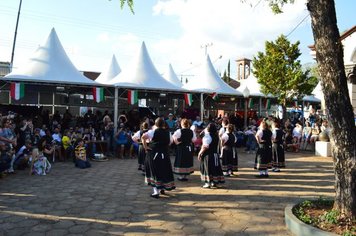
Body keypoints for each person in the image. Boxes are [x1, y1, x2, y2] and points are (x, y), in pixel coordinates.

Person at [142, 117, 175, 198]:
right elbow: (171, 142)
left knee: (154, 171)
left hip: (154, 154)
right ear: (163, 124)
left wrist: (146, 147)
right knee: (163, 170)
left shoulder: (152, 132)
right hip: (164, 154)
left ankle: (156, 192)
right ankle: (162, 188)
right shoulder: (168, 133)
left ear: (155, 124)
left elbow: (143, 137)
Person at [197, 123, 225, 188]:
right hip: (215, 154)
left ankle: (208, 183)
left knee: (208, 168)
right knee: (214, 168)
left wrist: (200, 153)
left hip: (208, 155)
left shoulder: (208, 136)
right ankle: (214, 182)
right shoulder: (216, 135)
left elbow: (205, 146)